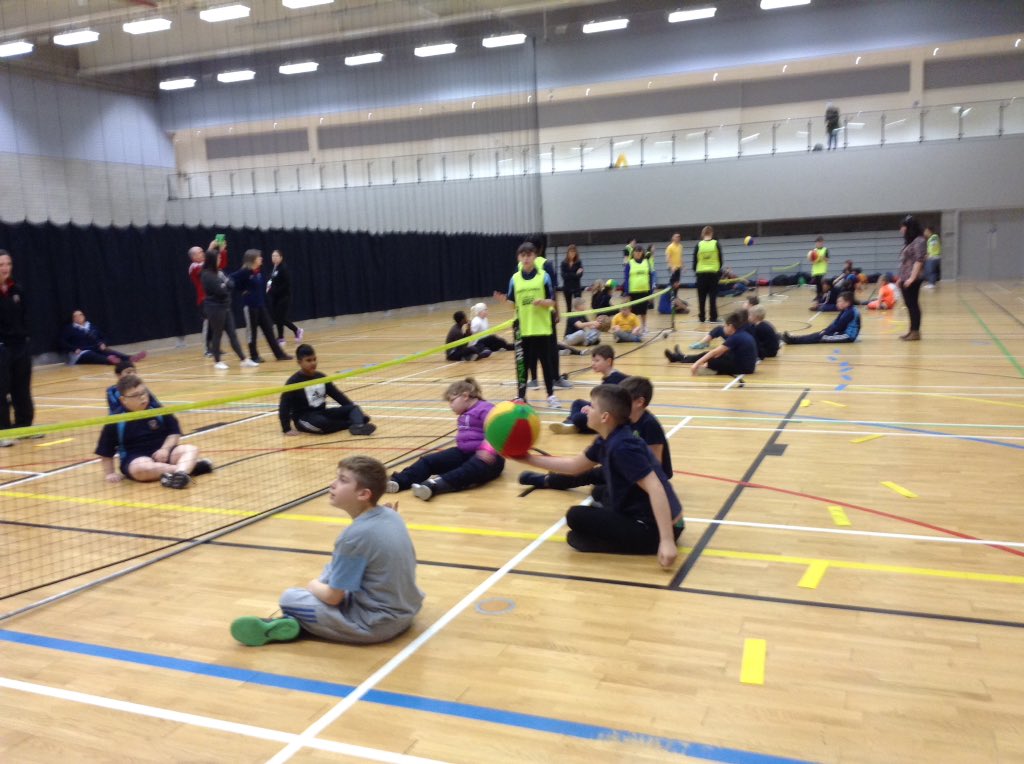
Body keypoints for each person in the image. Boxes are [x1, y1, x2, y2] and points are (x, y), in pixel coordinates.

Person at [230, 456, 423, 646]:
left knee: (290, 598)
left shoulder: (353, 537)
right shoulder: (390, 514)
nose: (333, 484)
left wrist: (312, 585)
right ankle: (296, 624)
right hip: (408, 609)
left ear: (363, 494)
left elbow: (333, 598)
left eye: (343, 480)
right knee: (332, 570)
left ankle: (295, 624)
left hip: (376, 624)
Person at [511, 384, 682, 566]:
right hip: (651, 517)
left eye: (591, 406)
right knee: (598, 495)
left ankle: (638, 542)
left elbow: (656, 488)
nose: (587, 410)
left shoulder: (622, 447)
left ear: (605, 417)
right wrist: (527, 458)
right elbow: (574, 466)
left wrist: (667, 541)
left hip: (656, 527)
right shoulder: (607, 438)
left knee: (575, 516)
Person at [522, 375, 672, 494]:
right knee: (587, 473)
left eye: (625, 400)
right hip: (625, 467)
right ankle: (548, 480)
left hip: (643, 475)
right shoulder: (623, 421)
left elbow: (656, 464)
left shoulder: (649, 424)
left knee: (600, 491)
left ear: (640, 402)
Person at [386, 377, 504, 501]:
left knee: (470, 469)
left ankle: (434, 485)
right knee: (429, 461)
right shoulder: (464, 413)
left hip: (489, 458)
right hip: (464, 453)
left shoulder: (485, 409)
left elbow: (498, 431)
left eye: (452, 401)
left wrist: (488, 448)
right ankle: (398, 482)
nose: (450, 405)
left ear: (465, 396)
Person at [95, 375, 212, 489]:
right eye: (135, 395)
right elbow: (106, 452)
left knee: (191, 449)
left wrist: (165, 449)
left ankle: (180, 474)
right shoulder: (115, 421)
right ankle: (184, 470)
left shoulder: (158, 411)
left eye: (144, 392)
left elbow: (174, 433)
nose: (142, 397)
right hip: (136, 459)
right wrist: (110, 473)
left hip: (164, 454)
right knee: (139, 468)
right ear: (123, 400)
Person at [494, 242, 560, 408]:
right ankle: (521, 396)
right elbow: (513, 304)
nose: (526, 258)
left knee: (546, 362)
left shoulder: (543, 276)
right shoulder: (515, 279)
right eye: (523, 256)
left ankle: (551, 395)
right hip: (522, 328)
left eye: (529, 255)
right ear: (519, 258)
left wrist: (543, 302)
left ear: (535, 257)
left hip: (541, 327)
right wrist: (504, 302)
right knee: (522, 363)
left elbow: (552, 301)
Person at [279, 344, 376, 436]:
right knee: (322, 423)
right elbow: (284, 406)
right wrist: (286, 428)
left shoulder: (321, 377)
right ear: (299, 362)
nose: (313, 363)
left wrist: (356, 411)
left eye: (314, 359)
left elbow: (338, 396)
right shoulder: (293, 382)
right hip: (304, 419)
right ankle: (353, 423)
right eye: (308, 360)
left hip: (322, 413)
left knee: (354, 408)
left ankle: (358, 426)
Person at [549, 344, 628, 436]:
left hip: (609, 417)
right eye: (593, 360)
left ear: (609, 361)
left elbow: (609, 407)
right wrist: (591, 408)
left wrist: (591, 409)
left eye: (597, 360)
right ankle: (572, 423)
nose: (593, 363)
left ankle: (573, 424)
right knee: (578, 403)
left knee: (579, 418)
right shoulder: (609, 378)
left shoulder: (615, 379)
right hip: (604, 410)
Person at [231, 250, 292, 364]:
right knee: (252, 333)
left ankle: (279, 354)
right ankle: (254, 356)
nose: (261, 259)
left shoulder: (258, 272)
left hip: (261, 306)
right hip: (250, 307)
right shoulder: (245, 271)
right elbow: (231, 279)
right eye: (259, 257)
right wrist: (242, 290)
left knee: (269, 330)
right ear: (253, 259)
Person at [201, 250, 258, 370]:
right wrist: (225, 286)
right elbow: (220, 291)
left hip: (225, 306)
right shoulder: (207, 275)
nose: (220, 260)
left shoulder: (220, 272)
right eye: (218, 258)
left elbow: (231, 284)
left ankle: (244, 359)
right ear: (212, 260)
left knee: (233, 334)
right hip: (214, 308)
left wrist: (225, 285)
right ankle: (217, 361)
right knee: (217, 334)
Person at [0, 249, 34, 447]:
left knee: (21, 388)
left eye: (8, 264)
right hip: (1, 348)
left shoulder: (17, 290)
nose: (6, 268)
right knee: (1, 390)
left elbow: (26, 316)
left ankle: (24, 426)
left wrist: (26, 338)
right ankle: (3, 431)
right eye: (2, 265)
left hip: (20, 346)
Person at [664, 311, 758, 376]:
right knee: (709, 356)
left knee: (712, 360)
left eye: (725, 325)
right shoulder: (740, 333)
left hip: (744, 368)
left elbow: (713, 352)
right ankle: (680, 357)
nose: (723, 327)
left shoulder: (735, 337)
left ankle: (701, 367)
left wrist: (696, 364)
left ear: (730, 326)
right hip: (744, 364)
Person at [59, 310, 146, 366]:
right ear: (73, 319)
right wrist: (74, 349)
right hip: (81, 352)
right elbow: (62, 342)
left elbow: (102, 336)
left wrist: (102, 343)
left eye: (80, 315)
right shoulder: (69, 328)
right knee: (91, 355)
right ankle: (110, 361)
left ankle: (129, 358)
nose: (78, 317)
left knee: (108, 350)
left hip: (95, 347)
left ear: (84, 316)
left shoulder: (91, 326)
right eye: (76, 316)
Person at [188, 240, 226, 357]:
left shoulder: (206, 264)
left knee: (217, 324)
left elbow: (221, 264)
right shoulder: (194, 267)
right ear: (194, 256)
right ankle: (207, 348)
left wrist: (222, 250)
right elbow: (204, 269)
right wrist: (210, 248)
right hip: (204, 300)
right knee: (208, 323)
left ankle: (215, 347)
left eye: (203, 251)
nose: (203, 253)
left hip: (214, 298)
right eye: (200, 252)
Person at [783, 291, 860, 344]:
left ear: (847, 302)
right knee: (819, 334)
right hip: (843, 333)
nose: (837, 304)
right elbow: (835, 323)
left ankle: (794, 341)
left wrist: (826, 332)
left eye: (840, 301)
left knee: (821, 337)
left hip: (848, 337)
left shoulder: (850, 312)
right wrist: (825, 330)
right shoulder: (847, 310)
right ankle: (794, 339)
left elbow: (838, 326)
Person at [897, 215, 927, 341]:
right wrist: (901, 278)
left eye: (903, 227)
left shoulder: (919, 241)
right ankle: (911, 330)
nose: (901, 230)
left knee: (913, 304)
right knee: (909, 305)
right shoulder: (910, 241)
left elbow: (919, 260)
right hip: (906, 277)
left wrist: (912, 278)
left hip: (912, 279)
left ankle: (915, 331)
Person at [267, 249, 303, 345]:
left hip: (284, 297)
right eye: (272, 256)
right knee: (276, 317)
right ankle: (281, 337)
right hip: (275, 297)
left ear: (281, 257)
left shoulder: (283, 268)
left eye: (276, 256)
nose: (274, 258)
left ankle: (296, 330)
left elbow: (286, 284)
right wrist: (269, 288)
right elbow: (272, 281)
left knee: (281, 318)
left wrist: (274, 291)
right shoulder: (274, 268)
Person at [693, 226, 723, 323]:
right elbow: (721, 260)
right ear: (711, 233)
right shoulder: (716, 244)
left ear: (703, 234)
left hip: (701, 274)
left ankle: (701, 317)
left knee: (701, 298)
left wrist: (696, 271)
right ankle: (713, 317)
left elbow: (694, 261)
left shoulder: (698, 245)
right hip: (713, 274)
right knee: (712, 297)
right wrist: (718, 270)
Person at [623, 244, 655, 335]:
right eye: (636, 251)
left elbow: (650, 277)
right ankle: (635, 328)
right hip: (633, 291)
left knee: (643, 311)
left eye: (640, 251)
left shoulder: (646, 262)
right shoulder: (630, 263)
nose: (638, 253)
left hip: (644, 290)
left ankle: (644, 327)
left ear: (642, 252)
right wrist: (627, 292)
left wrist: (651, 292)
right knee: (634, 312)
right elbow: (626, 278)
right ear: (633, 253)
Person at [560, 245, 584, 313]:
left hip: (576, 287)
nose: (572, 253)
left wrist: (570, 274)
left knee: (578, 306)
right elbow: (564, 276)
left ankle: (579, 321)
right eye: (571, 252)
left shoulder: (579, 262)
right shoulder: (563, 263)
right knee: (568, 307)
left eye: (574, 252)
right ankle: (569, 322)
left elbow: (580, 275)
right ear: (567, 253)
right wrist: (575, 274)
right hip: (567, 287)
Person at [808, 236, 830, 300]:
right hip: (815, 270)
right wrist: (812, 259)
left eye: (819, 242)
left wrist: (821, 257)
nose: (817, 244)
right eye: (817, 243)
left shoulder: (825, 250)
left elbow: (827, 260)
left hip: (822, 269)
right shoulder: (814, 251)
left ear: (822, 243)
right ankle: (818, 295)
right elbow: (812, 261)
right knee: (816, 284)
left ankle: (822, 295)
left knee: (821, 284)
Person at [665, 233, 683, 300]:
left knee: (677, 283)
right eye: (676, 237)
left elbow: (680, 257)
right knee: (673, 283)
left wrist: (683, 266)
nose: (678, 238)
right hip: (672, 268)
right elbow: (668, 258)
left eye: (679, 237)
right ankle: (671, 296)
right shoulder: (670, 247)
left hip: (678, 268)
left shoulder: (680, 246)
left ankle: (675, 296)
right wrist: (671, 267)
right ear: (673, 238)